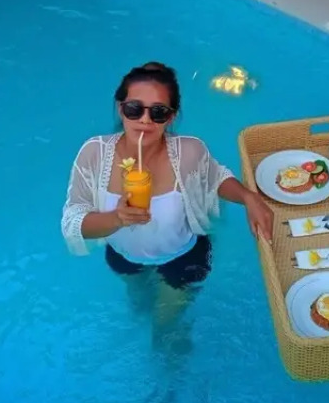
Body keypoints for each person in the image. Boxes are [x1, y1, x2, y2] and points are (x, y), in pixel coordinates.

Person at [60, 61, 274, 345]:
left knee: (164, 328)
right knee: (139, 304)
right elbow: (73, 222)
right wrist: (116, 218)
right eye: (134, 109)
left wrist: (249, 197)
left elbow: (215, 177)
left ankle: (170, 366)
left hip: (183, 257)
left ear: (171, 117)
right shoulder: (94, 154)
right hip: (123, 256)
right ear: (120, 108)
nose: (145, 120)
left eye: (158, 112)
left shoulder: (189, 151)